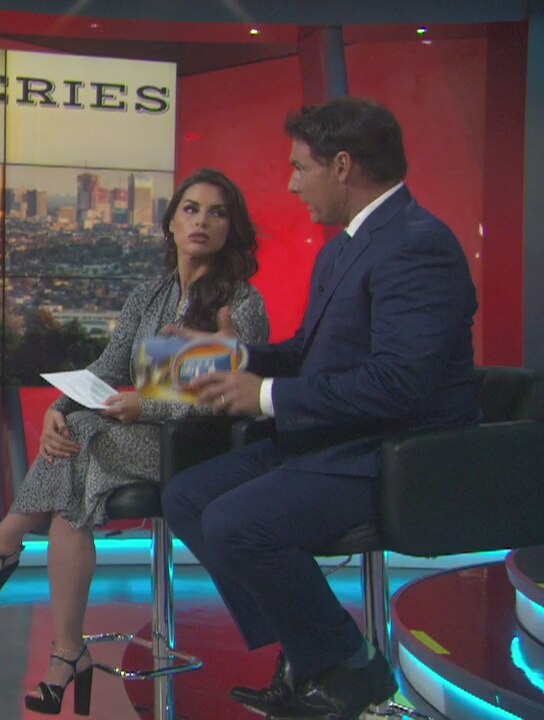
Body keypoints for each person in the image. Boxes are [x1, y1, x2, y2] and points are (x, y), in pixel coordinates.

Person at [162, 97, 478, 719]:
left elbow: (400, 386)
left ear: (341, 166)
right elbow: (308, 352)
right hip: (336, 436)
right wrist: (236, 355)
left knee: (236, 523)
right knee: (187, 496)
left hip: (393, 452)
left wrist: (263, 395)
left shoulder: (418, 245)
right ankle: (311, 655)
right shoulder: (343, 249)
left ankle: (352, 669)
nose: (291, 184)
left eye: (299, 168)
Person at [0, 169, 270, 715]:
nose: (202, 222)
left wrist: (145, 406)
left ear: (231, 229)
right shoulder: (148, 295)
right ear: (171, 223)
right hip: (133, 435)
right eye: (191, 209)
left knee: (85, 441)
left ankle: (2, 549)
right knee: (76, 457)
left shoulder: (242, 304)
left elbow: (227, 400)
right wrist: (60, 407)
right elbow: (110, 366)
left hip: (199, 445)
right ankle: (65, 650)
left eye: (217, 213)